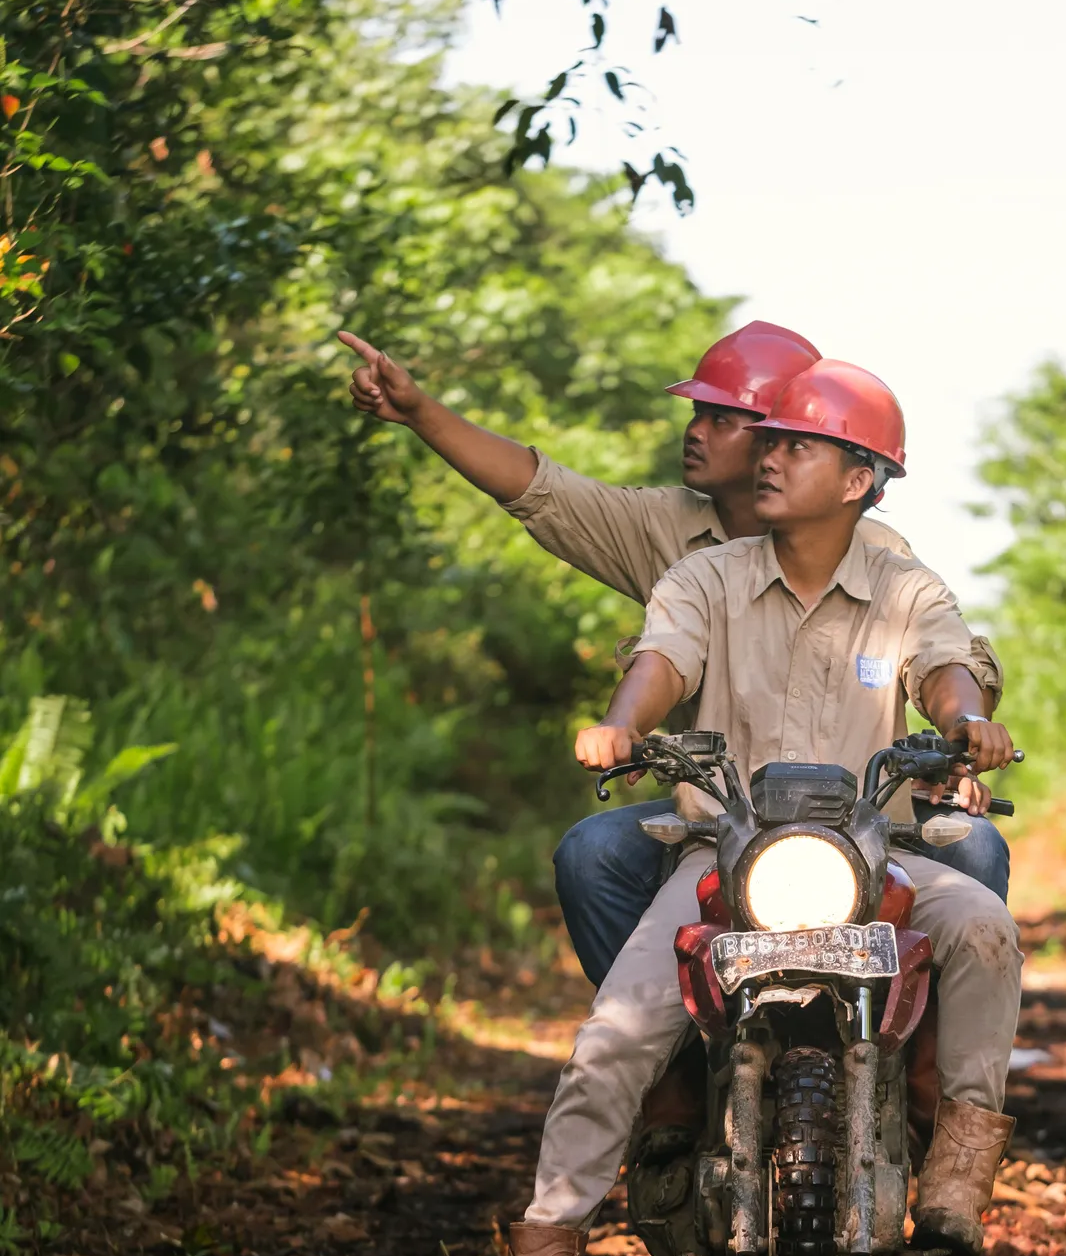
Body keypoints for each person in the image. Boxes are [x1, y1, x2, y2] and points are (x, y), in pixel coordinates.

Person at [475, 360, 1022, 1256]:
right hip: (724, 856)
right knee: (612, 1041)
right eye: (763, 442)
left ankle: (960, 1156)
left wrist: (966, 722)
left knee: (985, 924)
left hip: (871, 854)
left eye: (796, 445)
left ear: (859, 477)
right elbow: (663, 658)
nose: (767, 458)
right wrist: (622, 724)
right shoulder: (707, 576)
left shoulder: (904, 584)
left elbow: (944, 665)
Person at [337, 323, 1013, 984]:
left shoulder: (878, 559)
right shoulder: (671, 536)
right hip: (726, 811)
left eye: (724, 419)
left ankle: (929, 1056)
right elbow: (540, 490)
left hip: (854, 810)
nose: (697, 431)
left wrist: (958, 743)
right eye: (699, 414)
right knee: (591, 852)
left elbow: (942, 658)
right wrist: (420, 412)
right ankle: (671, 1046)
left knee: (976, 848)